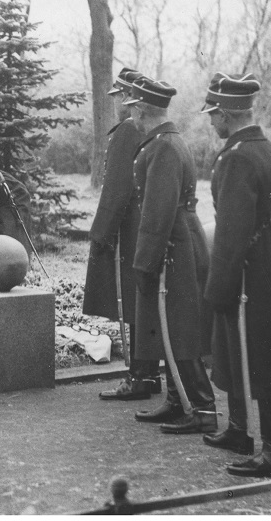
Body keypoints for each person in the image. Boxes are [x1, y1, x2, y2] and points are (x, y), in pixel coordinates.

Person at [200, 73, 271, 479]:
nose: (210, 122)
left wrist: (219, 286)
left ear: (225, 113)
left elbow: (232, 231)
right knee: (247, 352)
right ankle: (240, 430)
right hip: (270, 263)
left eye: (212, 115)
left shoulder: (236, 156)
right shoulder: (268, 149)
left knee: (257, 357)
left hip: (247, 271)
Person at [124, 77, 216, 435]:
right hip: (178, 239)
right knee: (171, 326)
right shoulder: (164, 141)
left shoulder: (162, 146)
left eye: (132, 105)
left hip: (175, 243)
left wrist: (145, 262)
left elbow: (158, 211)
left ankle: (203, 408)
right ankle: (180, 401)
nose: (129, 110)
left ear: (141, 108)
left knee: (180, 327)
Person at [84, 68, 162, 401]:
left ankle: (141, 376)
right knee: (141, 301)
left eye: (119, 96)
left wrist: (100, 233)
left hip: (128, 230)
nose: (116, 102)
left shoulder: (127, 131)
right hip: (141, 224)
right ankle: (148, 372)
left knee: (133, 302)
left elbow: (116, 188)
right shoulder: (141, 129)